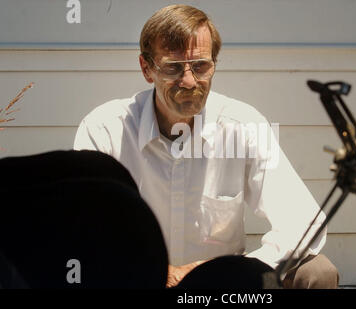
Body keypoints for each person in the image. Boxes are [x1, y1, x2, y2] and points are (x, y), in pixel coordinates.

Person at [74, 4, 338, 289]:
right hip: (136, 281)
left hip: (224, 290)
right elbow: (83, 229)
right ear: (146, 69)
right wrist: (153, 271)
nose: (189, 81)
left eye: (200, 66)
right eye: (173, 68)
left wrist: (239, 270)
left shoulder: (243, 125)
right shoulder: (105, 129)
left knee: (317, 272)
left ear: (214, 63)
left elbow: (305, 222)